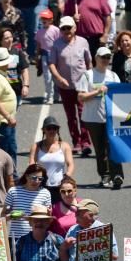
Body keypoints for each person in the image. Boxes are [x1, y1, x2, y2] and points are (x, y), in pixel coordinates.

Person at [76, 46, 124, 189]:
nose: (105, 60)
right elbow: (81, 97)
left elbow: (121, 96)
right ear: (96, 58)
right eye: (102, 57)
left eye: (108, 57)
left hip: (110, 118)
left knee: (113, 147)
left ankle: (117, 175)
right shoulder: (88, 75)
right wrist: (97, 92)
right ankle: (104, 175)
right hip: (93, 118)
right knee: (100, 150)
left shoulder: (114, 76)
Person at [49, 15, 94, 157]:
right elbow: (51, 64)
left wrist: (89, 79)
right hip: (65, 86)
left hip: (82, 86)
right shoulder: (56, 45)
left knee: (83, 114)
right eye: (63, 28)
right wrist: (59, 78)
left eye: (69, 27)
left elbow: (89, 62)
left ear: (74, 28)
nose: (66, 30)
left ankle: (86, 142)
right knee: (71, 116)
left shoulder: (83, 42)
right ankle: (76, 142)